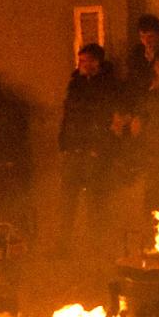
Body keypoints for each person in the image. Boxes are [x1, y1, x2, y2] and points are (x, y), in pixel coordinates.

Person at [58, 42, 125, 250]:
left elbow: (111, 121)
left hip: (95, 153)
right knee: (67, 202)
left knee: (96, 202)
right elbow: (68, 116)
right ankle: (62, 245)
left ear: (98, 62)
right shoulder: (75, 83)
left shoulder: (108, 86)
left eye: (88, 60)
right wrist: (63, 144)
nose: (83, 64)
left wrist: (100, 148)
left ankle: (97, 246)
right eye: (81, 60)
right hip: (74, 151)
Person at [128, 14, 159, 87]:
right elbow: (134, 76)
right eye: (142, 37)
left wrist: (154, 59)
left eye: (150, 37)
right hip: (141, 90)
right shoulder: (137, 50)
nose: (146, 41)